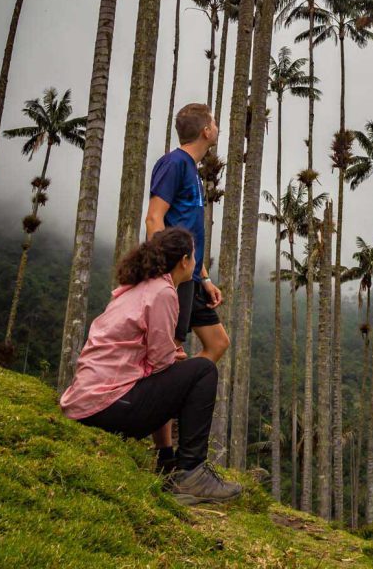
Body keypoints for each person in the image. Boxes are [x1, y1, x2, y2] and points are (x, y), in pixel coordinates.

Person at [60, 229, 241, 506]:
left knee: (185, 370)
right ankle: (191, 472)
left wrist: (169, 357)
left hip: (84, 404)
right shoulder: (163, 292)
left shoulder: (134, 287)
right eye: (194, 256)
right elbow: (159, 362)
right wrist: (172, 357)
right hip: (108, 407)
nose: (196, 262)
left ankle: (172, 462)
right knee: (203, 370)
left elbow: (149, 355)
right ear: (184, 260)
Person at [146, 102, 229, 470]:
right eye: (214, 123)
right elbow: (154, 219)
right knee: (167, 358)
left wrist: (205, 277)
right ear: (206, 132)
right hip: (174, 277)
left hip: (192, 277)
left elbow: (189, 233)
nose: (217, 127)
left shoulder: (193, 172)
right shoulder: (174, 163)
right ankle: (165, 455)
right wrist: (165, 275)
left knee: (218, 343)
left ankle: (178, 395)